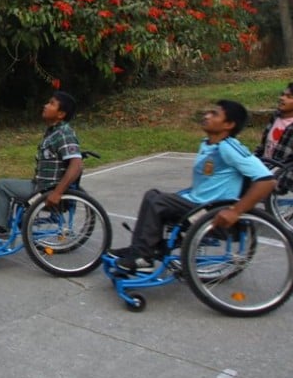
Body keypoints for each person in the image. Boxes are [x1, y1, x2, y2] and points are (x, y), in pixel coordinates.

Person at [110, 100, 276, 272]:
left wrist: (235, 211)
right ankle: (141, 250)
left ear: (229, 124)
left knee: (157, 201)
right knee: (152, 196)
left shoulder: (230, 148)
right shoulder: (208, 144)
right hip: (197, 204)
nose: (207, 116)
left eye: (214, 114)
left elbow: (267, 180)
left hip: (211, 212)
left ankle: (143, 257)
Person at [0, 91, 83, 240]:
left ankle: (1, 233)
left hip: (44, 190)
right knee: (9, 185)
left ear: (61, 114)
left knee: (2, 186)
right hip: (42, 186)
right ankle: (4, 229)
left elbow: (77, 165)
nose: (46, 106)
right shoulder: (54, 132)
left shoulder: (64, 133)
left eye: (51, 104)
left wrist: (58, 193)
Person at [253, 82, 293, 194]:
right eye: (282, 95)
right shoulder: (276, 117)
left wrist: (286, 182)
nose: (282, 98)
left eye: (289, 97)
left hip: (281, 168)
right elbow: (264, 145)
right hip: (266, 163)